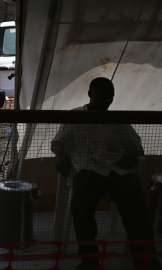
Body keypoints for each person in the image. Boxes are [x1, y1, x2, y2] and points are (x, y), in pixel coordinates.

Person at [51, 77, 161, 269]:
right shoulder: (76, 116)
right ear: (90, 94)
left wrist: (133, 154)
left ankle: (146, 261)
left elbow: (136, 146)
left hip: (117, 171)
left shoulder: (117, 119)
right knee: (81, 208)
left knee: (137, 209)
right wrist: (60, 153)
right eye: (102, 95)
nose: (107, 100)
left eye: (110, 96)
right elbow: (59, 141)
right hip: (87, 172)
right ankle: (89, 260)